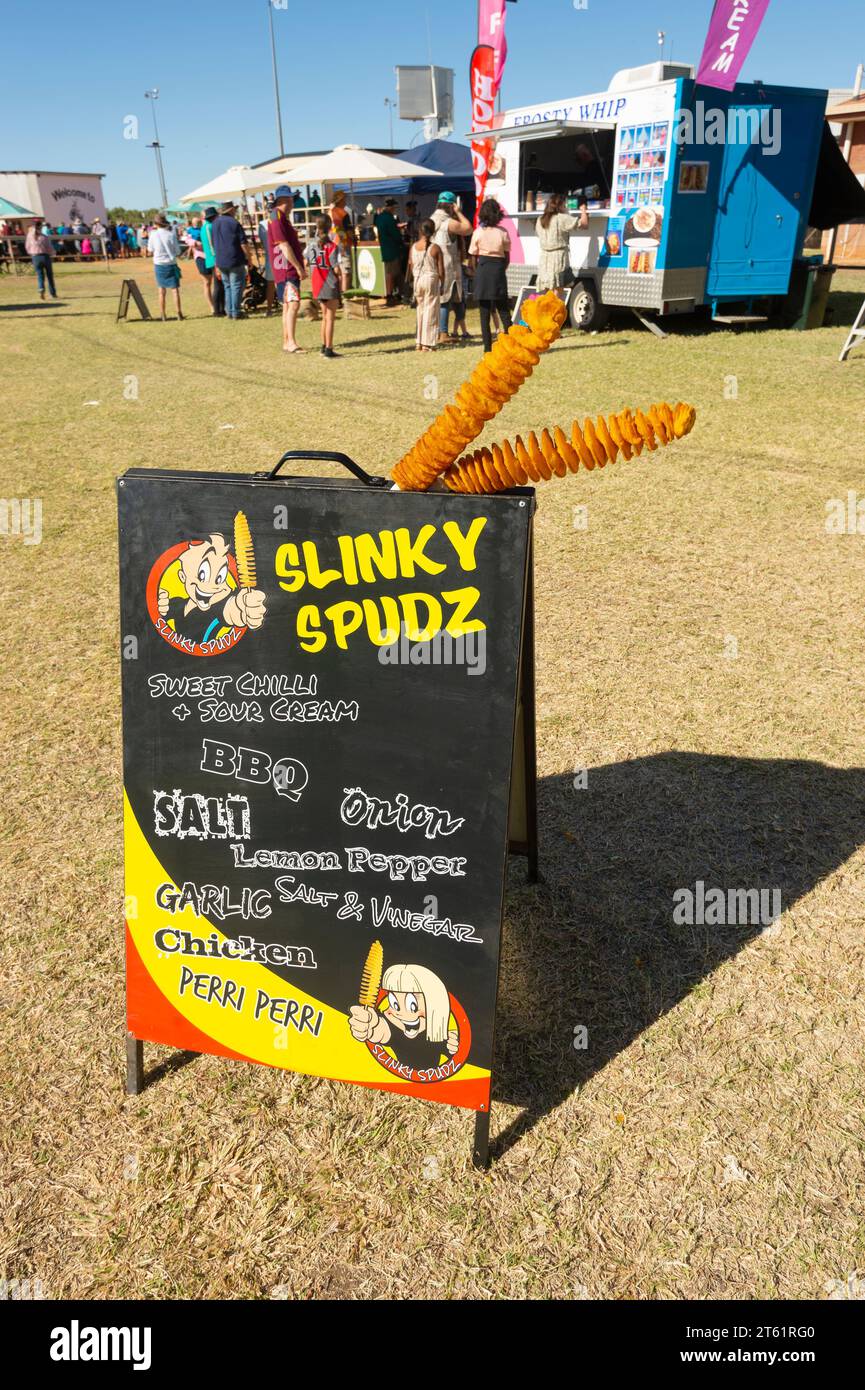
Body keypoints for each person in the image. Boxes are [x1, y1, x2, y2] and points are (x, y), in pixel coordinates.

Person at [267, 186, 308, 353]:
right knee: (293, 304)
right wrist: (299, 267)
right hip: (286, 268)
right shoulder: (277, 217)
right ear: (284, 200)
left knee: (287, 305)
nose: (293, 203)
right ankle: (290, 342)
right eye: (291, 199)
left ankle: (287, 341)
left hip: (284, 267)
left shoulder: (280, 217)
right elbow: (283, 245)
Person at [468, 198, 512, 353]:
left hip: (483, 269)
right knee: (504, 310)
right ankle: (511, 343)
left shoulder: (478, 232)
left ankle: (487, 348)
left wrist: (475, 272)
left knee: (484, 313)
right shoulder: (503, 232)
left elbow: (472, 256)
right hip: (498, 269)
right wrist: (500, 269)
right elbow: (507, 257)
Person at [431, 191, 472, 345]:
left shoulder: (431, 219)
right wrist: (459, 212)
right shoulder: (449, 223)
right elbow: (468, 229)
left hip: (432, 263)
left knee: (438, 299)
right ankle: (443, 333)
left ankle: (438, 331)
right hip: (447, 264)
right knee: (445, 300)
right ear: (451, 205)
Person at [305, 215, 342, 358]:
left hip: (317, 283)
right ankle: (329, 348)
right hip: (329, 283)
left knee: (324, 317)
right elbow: (336, 268)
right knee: (330, 317)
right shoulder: (332, 246)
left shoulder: (311, 244)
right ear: (329, 226)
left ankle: (323, 346)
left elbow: (307, 261)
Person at [535, 193, 588, 292]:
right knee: (558, 288)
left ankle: (548, 307)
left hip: (544, 258)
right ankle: (556, 307)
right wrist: (583, 210)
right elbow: (584, 224)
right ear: (559, 206)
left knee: (547, 288)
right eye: (564, 205)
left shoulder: (540, 220)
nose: (565, 207)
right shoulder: (561, 218)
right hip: (558, 258)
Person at [211, 200, 252, 319]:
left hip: (221, 260)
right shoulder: (234, 223)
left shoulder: (214, 223)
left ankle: (229, 311)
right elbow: (243, 243)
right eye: (234, 209)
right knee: (236, 285)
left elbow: (214, 243)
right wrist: (249, 258)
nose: (236, 211)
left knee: (228, 286)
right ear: (231, 210)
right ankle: (236, 312)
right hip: (234, 259)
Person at [408, 219, 444, 352]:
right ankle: (428, 343)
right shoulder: (435, 248)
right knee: (431, 311)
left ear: (420, 230)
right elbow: (441, 270)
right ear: (433, 231)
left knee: (420, 310)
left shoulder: (413, 247)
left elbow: (411, 265)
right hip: (430, 279)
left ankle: (419, 341)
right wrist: (443, 284)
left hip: (417, 280)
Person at [147, 214, 184, 320]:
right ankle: (179, 313)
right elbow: (177, 251)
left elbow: (150, 250)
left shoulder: (152, 235)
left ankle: (163, 314)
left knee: (161, 290)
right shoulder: (171, 234)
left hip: (159, 264)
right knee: (175, 290)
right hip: (171, 263)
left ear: (156, 224)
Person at [373, 197, 403, 302]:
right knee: (391, 273)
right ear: (390, 207)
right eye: (394, 207)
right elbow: (394, 234)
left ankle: (393, 293)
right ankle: (390, 295)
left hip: (385, 247)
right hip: (391, 248)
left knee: (391, 272)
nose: (395, 209)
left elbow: (377, 225)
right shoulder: (389, 218)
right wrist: (401, 240)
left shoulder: (379, 217)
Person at [25, 219, 57, 300]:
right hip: (45, 256)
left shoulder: (29, 236)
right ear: (40, 227)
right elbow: (49, 248)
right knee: (49, 276)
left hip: (35, 257)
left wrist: (31, 253)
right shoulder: (44, 237)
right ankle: (53, 293)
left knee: (40, 275)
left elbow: (27, 247)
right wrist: (53, 253)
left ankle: (41, 288)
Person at [329, 190, 354, 292]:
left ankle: (339, 296)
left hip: (331, 244)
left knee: (337, 271)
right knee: (345, 272)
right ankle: (345, 297)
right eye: (344, 199)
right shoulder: (343, 213)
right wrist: (353, 237)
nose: (346, 202)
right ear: (340, 200)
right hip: (342, 244)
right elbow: (348, 231)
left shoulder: (329, 212)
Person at [185, 216, 212, 311]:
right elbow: (188, 240)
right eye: (195, 223)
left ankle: (218, 304)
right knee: (207, 282)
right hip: (200, 257)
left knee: (217, 282)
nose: (197, 224)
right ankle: (212, 307)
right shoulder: (190, 231)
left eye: (199, 222)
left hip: (211, 256)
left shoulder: (205, 229)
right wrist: (196, 243)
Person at [199, 207, 222, 315]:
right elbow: (212, 244)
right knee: (218, 286)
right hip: (214, 259)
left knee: (219, 285)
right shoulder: (209, 227)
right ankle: (217, 310)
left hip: (211, 258)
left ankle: (219, 308)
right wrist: (217, 259)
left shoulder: (204, 227)